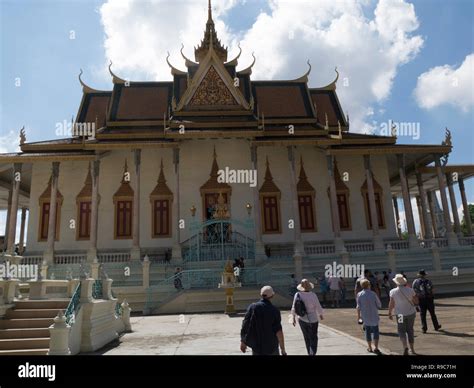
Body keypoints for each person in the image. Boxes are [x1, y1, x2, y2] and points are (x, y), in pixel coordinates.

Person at [240, 286, 287, 355]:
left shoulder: (253, 307)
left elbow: (245, 325)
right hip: (272, 347)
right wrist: (283, 349)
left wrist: (243, 342)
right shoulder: (274, 310)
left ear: (261, 295)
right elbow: (279, 331)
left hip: (257, 347)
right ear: (272, 296)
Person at [291, 279, 324, 355]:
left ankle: (309, 352)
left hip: (302, 318)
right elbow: (318, 306)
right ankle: (313, 352)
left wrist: (293, 318)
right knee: (314, 337)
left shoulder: (297, 294)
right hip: (313, 319)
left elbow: (294, 306)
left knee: (306, 337)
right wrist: (321, 315)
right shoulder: (313, 295)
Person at [389, 274, 419, 355]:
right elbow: (416, 301)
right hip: (410, 313)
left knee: (401, 331)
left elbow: (391, 303)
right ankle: (412, 349)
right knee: (410, 330)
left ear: (396, 283)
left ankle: (405, 346)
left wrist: (390, 313)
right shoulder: (410, 290)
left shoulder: (392, 291)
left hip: (400, 314)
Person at [356, 279, 382, 354]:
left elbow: (358, 307)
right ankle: (376, 347)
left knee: (367, 332)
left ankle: (370, 347)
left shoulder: (359, 294)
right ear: (368, 285)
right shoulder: (373, 294)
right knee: (375, 332)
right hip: (374, 316)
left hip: (365, 316)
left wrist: (359, 317)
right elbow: (379, 305)